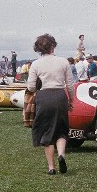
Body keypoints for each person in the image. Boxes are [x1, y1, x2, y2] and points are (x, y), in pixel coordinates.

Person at [26, 33, 75, 175]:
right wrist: (70, 100)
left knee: (47, 131)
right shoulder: (64, 62)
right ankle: (61, 154)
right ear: (53, 46)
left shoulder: (35, 64)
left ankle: (51, 168)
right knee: (61, 129)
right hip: (60, 96)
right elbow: (70, 85)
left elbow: (30, 87)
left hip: (44, 97)